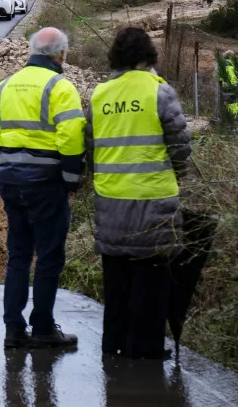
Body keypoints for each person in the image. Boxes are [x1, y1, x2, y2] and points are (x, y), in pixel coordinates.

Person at [86, 27, 191, 359]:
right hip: (153, 205)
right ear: (148, 56)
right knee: (152, 282)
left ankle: (114, 345)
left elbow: (90, 148)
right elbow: (180, 147)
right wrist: (178, 175)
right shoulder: (160, 93)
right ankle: (144, 352)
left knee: (116, 282)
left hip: (111, 203)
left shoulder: (100, 95)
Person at [0, 27, 85, 349]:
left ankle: (13, 329)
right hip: (46, 184)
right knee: (49, 257)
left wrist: (8, 159)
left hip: (11, 180)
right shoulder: (60, 86)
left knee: (18, 255)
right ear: (61, 54)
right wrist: (71, 179)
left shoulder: (5, 85)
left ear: (32, 52)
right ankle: (42, 328)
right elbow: (71, 137)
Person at [219, 50, 238, 118]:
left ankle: (228, 119)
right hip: (232, 86)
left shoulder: (221, 65)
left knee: (227, 104)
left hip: (224, 87)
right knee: (233, 104)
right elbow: (232, 76)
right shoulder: (231, 65)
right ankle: (234, 119)